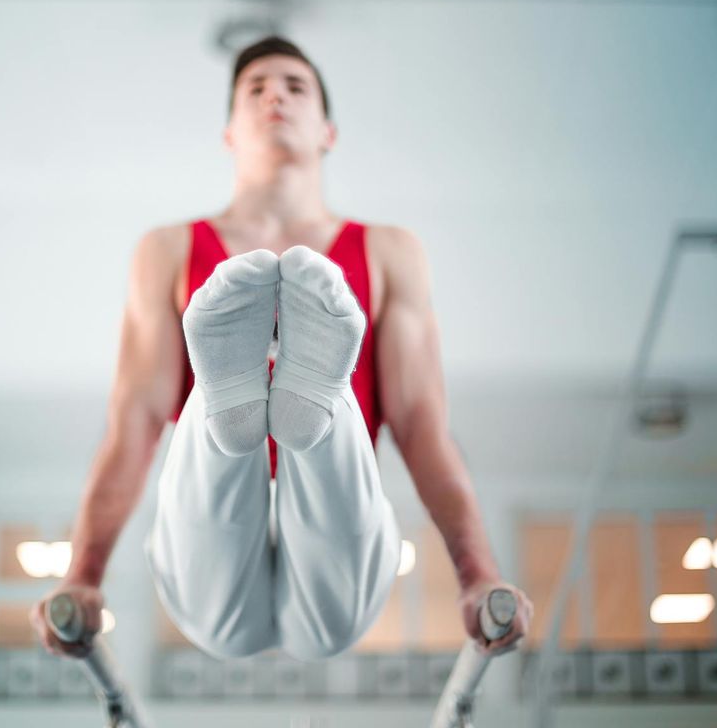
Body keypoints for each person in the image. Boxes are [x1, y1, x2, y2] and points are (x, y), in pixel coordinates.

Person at [31, 36, 532, 661]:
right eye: (256, 88)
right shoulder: (167, 251)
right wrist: (82, 573)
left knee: (234, 624)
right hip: (252, 522)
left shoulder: (389, 251)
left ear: (328, 131)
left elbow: (423, 428)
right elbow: (133, 424)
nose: (276, 96)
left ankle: (310, 410)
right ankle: (242, 408)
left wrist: (477, 575)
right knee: (321, 623)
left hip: (319, 517)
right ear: (229, 134)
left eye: (296, 87)